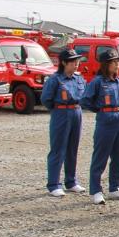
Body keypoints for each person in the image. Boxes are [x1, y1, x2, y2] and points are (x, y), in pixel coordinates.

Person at [80, 49, 119, 204]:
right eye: (114, 62)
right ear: (106, 64)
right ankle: (96, 190)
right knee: (100, 156)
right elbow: (86, 101)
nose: (117, 65)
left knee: (118, 156)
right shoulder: (98, 82)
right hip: (105, 120)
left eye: (118, 61)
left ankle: (115, 187)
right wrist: (101, 110)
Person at [41, 48, 86, 197]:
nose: (76, 64)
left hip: (76, 112)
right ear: (64, 62)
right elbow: (46, 99)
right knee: (58, 148)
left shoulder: (79, 78)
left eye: (77, 61)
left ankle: (71, 181)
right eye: (73, 62)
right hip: (61, 112)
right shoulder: (55, 79)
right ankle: (54, 184)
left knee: (72, 148)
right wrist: (58, 109)